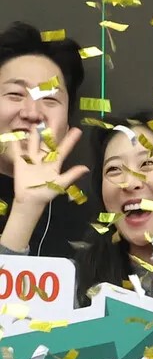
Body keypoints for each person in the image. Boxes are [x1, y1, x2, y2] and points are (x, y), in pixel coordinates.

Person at [74, 113, 153, 307]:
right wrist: (25, 211)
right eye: (114, 169)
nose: (129, 183)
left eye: (148, 163)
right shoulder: (75, 284)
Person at [0, 22, 91, 258]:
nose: (32, 113)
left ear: (67, 125)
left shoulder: (93, 226)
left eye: (50, 99)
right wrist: (25, 212)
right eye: (15, 94)